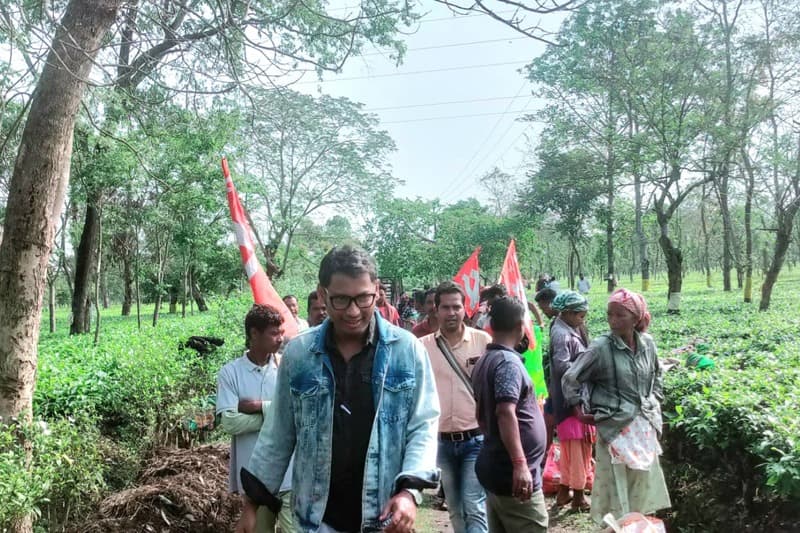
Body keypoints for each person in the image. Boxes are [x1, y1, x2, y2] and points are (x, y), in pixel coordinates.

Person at [236, 245, 440, 533]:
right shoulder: (299, 354)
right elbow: (278, 433)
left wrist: (408, 492)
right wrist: (251, 506)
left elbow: (423, 425)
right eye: (342, 300)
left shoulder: (407, 351)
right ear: (322, 295)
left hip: (385, 518)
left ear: (377, 290)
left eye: (363, 298)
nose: (354, 311)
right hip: (316, 520)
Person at [562, 288, 671, 526]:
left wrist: (654, 399)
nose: (612, 320)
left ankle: (638, 526)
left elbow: (657, 373)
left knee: (642, 487)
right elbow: (571, 377)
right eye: (610, 314)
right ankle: (617, 529)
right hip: (615, 428)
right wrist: (579, 410)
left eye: (620, 315)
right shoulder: (601, 347)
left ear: (636, 317)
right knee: (616, 488)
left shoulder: (648, 344)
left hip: (643, 428)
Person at [472, 297, 548, 533]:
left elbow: (481, 413)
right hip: (511, 473)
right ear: (520, 327)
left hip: (498, 465)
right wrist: (520, 464)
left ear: (492, 326)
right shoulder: (507, 364)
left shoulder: (487, 359)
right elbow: (505, 412)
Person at [421, 281, 491, 533]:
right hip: (440, 443)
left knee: (475, 505)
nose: (451, 313)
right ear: (436, 310)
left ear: (465, 309)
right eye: (446, 307)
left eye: (456, 307)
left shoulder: (483, 341)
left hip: (476, 439)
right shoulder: (423, 347)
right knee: (454, 507)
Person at [217, 304, 293, 532]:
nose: (280, 338)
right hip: (254, 479)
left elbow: (297, 415)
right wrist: (277, 418)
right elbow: (229, 422)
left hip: (290, 475)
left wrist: (258, 407)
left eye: (281, 332)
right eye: (274, 333)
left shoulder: (287, 367)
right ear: (253, 334)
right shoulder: (230, 373)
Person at [548, 291, 594, 511]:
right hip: (570, 401)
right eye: (580, 316)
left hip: (572, 398)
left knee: (570, 449)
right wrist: (585, 366)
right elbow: (562, 365)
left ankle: (564, 492)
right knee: (576, 450)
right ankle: (578, 497)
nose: (582, 320)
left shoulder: (568, 329)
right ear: (567, 313)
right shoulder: (561, 334)